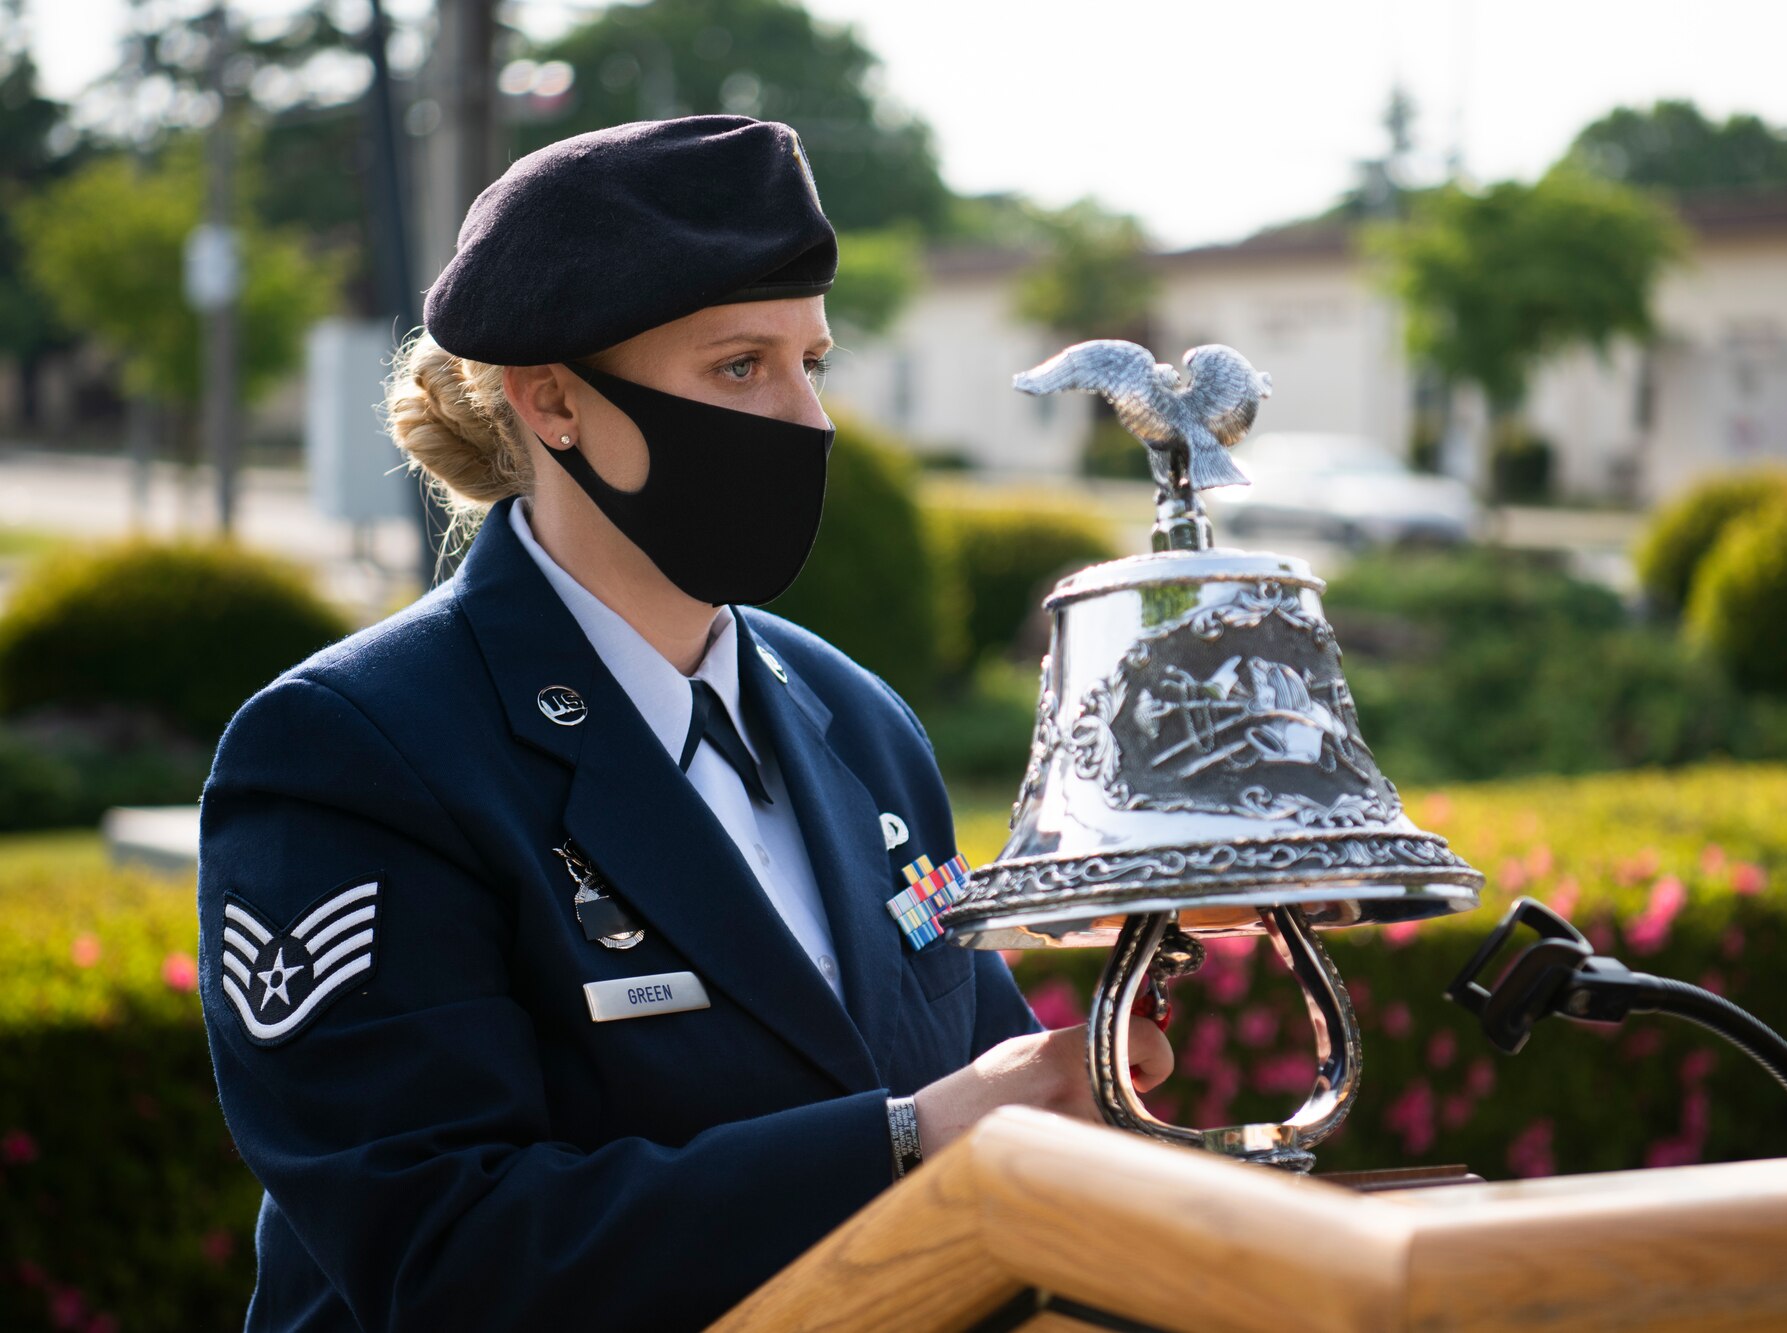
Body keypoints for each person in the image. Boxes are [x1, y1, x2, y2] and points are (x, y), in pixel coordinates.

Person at [196, 115, 1173, 1331]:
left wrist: (1076, 1092)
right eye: (736, 366)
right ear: (552, 400)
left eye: (810, 359)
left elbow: (977, 1099)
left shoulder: (857, 721)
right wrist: (907, 1143)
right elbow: (443, 1252)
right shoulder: (353, 751)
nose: (807, 418)